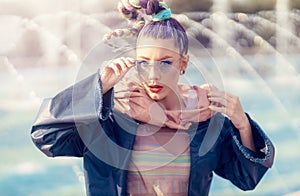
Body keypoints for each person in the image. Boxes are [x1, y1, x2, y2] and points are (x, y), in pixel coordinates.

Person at [31, 0, 275, 195]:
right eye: (143, 62)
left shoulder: (206, 120)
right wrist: (97, 87)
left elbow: (246, 178)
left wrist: (242, 123)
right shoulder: (110, 118)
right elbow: (46, 136)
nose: (153, 73)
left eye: (165, 62)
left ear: (183, 63)